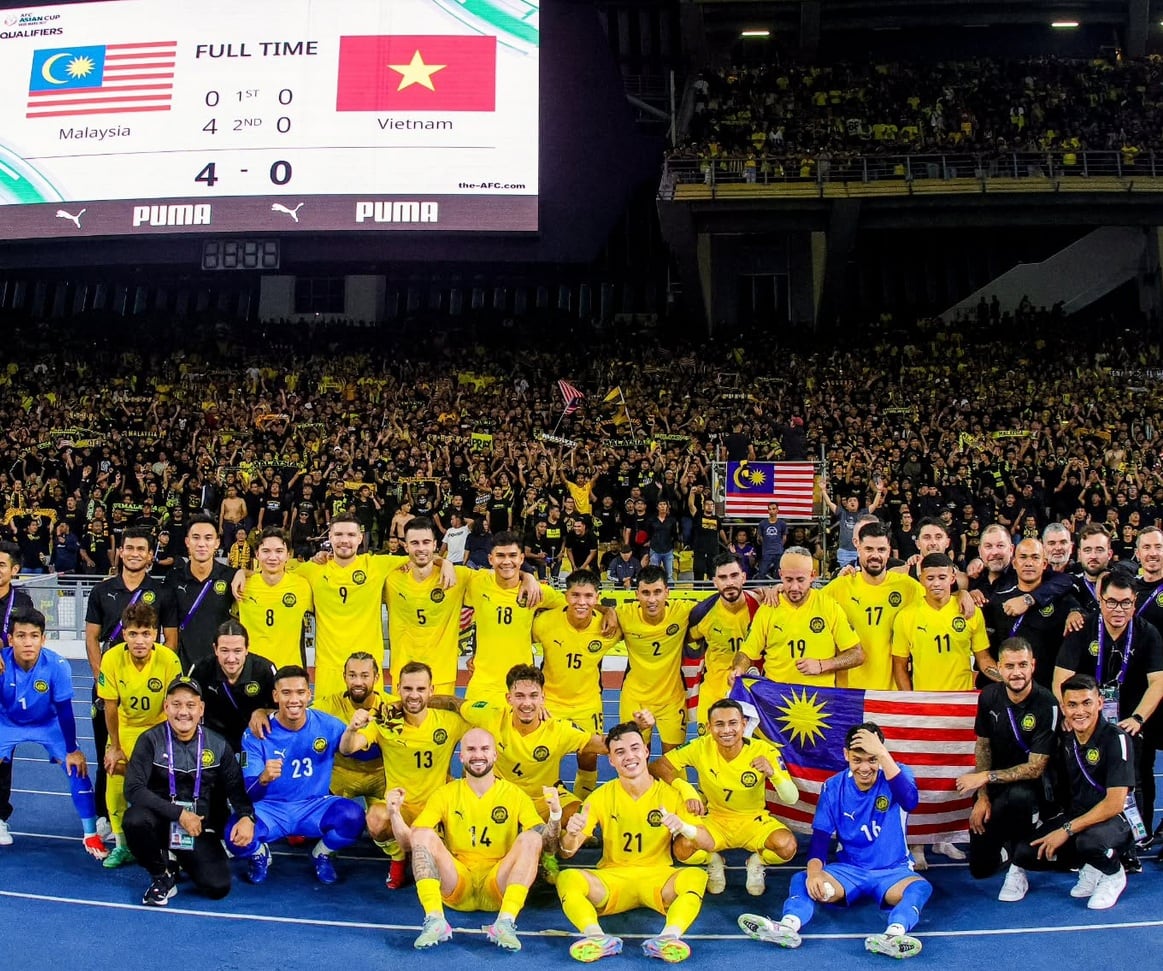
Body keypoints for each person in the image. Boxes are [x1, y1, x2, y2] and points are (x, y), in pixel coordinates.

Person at [737, 723, 931, 960]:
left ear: (881, 755)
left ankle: (894, 934)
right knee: (802, 878)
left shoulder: (898, 774)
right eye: (857, 760)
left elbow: (910, 801)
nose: (865, 768)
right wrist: (814, 873)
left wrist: (882, 753)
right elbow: (819, 840)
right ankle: (788, 926)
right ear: (846, 754)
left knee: (920, 887)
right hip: (849, 871)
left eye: (872, 759)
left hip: (893, 872)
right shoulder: (833, 786)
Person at [557, 721, 713, 964]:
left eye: (635, 748)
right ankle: (596, 937)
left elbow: (708, 843)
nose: (629, 756)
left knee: (696, 876)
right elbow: (567, 852)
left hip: (658, 878)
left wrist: (685, 828)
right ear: (611, 760)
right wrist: (571, 834)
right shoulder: (600, 796)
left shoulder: (670, 795)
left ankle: (669, 938)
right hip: (613, 880)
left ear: (646, 751)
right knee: (567, 878)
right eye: (620, 752)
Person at [386, 727, 552, 951]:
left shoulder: (514, 794)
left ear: (495, 755)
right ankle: (435, 920)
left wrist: (556, 817)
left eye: (484, 749)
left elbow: (547, 844)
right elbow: (409, 843)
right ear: (461, 756)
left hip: (497, 883)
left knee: (532, 838)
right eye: (471, 749)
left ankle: (505, 922)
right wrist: (394, 813)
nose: (478, 755)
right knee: (422, 833)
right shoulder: (445, 793)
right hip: (458, 882)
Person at [1053, 568, 1163, 850]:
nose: (1118, 609)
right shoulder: (1082, 629)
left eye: (1125, 603)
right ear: (1100, 600)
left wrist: (1138, 718)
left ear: (1134, 603)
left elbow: (1158, 682)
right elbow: (1061, 679)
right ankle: (1076, 829)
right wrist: (1072, 714)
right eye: (1112, 601)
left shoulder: (1147, 633)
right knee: (1079, 771)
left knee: (1138, 771)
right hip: (1086, 718)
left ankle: (1137, 838)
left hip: (1130, 717)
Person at [123, 675, 256, 906]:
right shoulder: (150, 740)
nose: (183, 712)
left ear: (201, 709)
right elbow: (133, 789)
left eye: (190, 705)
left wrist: (246, 816)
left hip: (197, 828)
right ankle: (161, 874)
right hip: (161, 822)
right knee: (134, 820)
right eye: (176, 704)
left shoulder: (218, 745)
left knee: (218, 887)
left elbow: (236, 789)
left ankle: (178, 857)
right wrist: (179, 814)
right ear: (166, 707)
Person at [1008, 675, 1135, 910]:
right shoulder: (1066, 740)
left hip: (1115, 820)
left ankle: (1113, 874)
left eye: (1087, 703)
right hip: (1077, 816)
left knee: (1089, 843)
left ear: (1099, 702)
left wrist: (1066, 830)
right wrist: (1057, 824)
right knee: (1025, 852)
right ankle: (1090, 866)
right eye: (1072, 705)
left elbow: (1115, 803)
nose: (1080, 711)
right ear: (1064, 708)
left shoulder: (1116, 738)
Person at [232, 664, 367, 884]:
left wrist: (361, 729)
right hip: (270, 809)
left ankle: (321, 853)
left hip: (314, 805)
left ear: (309, 695)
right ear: (275, 696)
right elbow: (249, 792)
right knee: (233, 835)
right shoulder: (256, 733)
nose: (294, 699)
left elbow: (356, 749)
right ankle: (260, 855)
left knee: (354, 817)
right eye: (286, 693)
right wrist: (263, 778)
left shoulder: (328, 725)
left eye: (300, 692)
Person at [651, 699, 798, 896]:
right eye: (719, 724)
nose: (727, 730)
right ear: (709, 727)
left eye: (733, 723)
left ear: (744, 724)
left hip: (754, 821)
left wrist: (774, 774)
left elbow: (791, 798)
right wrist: (685, 787)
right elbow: (658, 767)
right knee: (682, 849)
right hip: (715, 820)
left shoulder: (764, 750)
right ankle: (713, 860)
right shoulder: (700, 746)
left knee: (787, 847)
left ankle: (757, 861)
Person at [84, 526, 174, 836]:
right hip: (110, 681)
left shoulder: (162, 592)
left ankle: (150, 814)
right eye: (129, 548)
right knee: (108, 750)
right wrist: (102, 679)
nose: (134, 554)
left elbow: (170, 640)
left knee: (157, 756)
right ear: (120, 552)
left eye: (141, 549)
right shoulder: (101, 590)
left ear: (150, 556)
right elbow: (92, 638)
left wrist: (156, 676)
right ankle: (104, 815)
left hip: (149, 684)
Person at [953, 637, 1058, 898]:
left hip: (1032, 788)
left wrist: (984, 778)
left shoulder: (1047, 703)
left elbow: (1035, 768)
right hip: (996, 785)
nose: (1016, 672)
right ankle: (1006, 846)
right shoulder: (989, 696)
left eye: (1022, 665)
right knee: (981, 868)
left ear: (1033, 665)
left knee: (1019, 798)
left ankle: (1021, 856)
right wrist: (982, 797)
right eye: (1009, 666)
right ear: (999, 667)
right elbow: (983, 746)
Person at [0, 608, 107, 859]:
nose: (28, 642)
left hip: (48, 724)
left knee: (77, 768)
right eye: (21, 636)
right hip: (7, 723)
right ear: (11, 639)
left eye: (34, 636)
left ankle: (90, 834)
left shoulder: (57, 665)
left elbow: (64, 709)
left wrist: (72, 749)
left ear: (43, 639)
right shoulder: (1, 664)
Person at [356, 661, 468, 889]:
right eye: (408, 689)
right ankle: (398, 857)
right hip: (401, 807)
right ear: (398, 688)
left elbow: (488, 726)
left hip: (437, 807)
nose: (414, 694)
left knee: (447, 879)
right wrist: (352, 728)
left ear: (431, 690)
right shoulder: (386, 721)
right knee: (375, 820)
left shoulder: (450, 722)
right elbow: (349, 747)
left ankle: (443, 843)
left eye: (421, 689)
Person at [98, 601, 183, 868]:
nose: (139, 640)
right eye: (133, 633)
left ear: (155, 633)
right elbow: (110, 706)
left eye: (146, 633)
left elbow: (176, 703)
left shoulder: (169, 659)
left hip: (159, 729)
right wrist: (115, 746)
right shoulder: (111, 658)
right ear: (124, 633)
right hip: (126, 728)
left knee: (168, 783)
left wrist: (175, 742)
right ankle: (122, 845)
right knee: (114, 776)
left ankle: (170, 844)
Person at [532, 569, 621, 801]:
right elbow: (516, 640)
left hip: (587, 703)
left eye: (588, 596)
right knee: (545, 756)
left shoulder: (608, 626)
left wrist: (609, 611)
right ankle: (547, 805)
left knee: (589, 756)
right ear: (566, 596)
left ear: (597, 597)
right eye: (575, 595)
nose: (582, 602)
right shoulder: (544, 623)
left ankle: (582, 805)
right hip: (551, 702)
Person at [732, 547, 863, 688]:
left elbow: (856, 654)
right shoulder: (768, 608)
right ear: (780, 575)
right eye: (788, 579)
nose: (794, 587)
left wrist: (823, 665)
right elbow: (746, 653)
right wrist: (738, 669)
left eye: (801, 580)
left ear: (812, 576)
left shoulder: (828, 606)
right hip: (776, 697)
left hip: (819, 698)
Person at [462, 531, 562, 706]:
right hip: (483, 684)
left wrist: (607, 611)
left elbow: (573, 604)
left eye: (512, 555)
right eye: (500, 555)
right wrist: (527, 575)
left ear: (522, 558)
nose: (507, 561)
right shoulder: (476, 582)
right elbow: (433, 564)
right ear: (490, 559)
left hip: (521, 686)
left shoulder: (536, 591)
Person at [825, 522, 923, 689]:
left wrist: (963, 595)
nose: (875, 555)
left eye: (881, 550)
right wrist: (779, 590)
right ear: (858, 548)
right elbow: (808, 602)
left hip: (891, 692)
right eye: (869, 549)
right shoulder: (840, 586)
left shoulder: (908, 587)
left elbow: (941, 603)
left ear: (889, 551)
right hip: (850, 691)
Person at [615, 565, 694, 752]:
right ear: (636, 594)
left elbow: (718, 605)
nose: (651, 599)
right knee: (635, 757)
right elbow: (593, 610)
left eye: (657, 592)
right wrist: (608, 611)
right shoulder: (624, 615)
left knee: (673, 762)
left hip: (671, 700)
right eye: (645, 593)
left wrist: (761, 592)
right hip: (635, 699)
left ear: (667, 592)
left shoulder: (682, 611)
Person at [687, 553, 761, 731]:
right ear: (714, 582)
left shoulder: (761, 605)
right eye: (723, 577)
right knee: (709, 745)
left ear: (744, 577)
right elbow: (689, 642)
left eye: (734, 575)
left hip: (752, 691)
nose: (729, 583)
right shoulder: (702, 614)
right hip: (714, 692)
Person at [161, 515, 239, 670]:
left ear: (217, 543)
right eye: (196, 538)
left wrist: (242, 573)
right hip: (184, 668)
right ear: (187, 542)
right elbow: (170, 629)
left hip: (221, 668)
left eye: (208, 538)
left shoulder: (231, 576)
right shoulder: (173, 578)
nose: (202, 544)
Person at [311, 651, 388, 803]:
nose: (358, 682)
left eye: (365, 676)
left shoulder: (391, 707)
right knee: (332, 815)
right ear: (344, 677)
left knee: (382, 817)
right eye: (352, 675)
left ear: (376, 678)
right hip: (341, 776)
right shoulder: (328, 706)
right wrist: (262, 711)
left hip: (381, 777)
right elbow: (296, 713)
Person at [188, 620, 277, 750]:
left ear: (247, 649)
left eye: (237, 651)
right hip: (213, 742)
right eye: (224, 651)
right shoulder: (201, 669)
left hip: (255, 740)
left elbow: (283, 710)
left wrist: (262, 711)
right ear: (215, 649)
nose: (231, 658)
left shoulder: (265, 670)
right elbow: (186, 707)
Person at [238, 527, 313, 670]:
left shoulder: (303, 585)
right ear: (257, 554)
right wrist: (240, 572)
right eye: (266, 551)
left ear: (289, 555)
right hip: (253, 672)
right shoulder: (242, 586)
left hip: (290, 673)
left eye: (279, 551)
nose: (272, 557)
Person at [756, 503, 789, 579]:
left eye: (774, 509)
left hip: (778, 552)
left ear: (777, 510)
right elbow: (759, 537)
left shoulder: (782, 523)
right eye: (770, 509)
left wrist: (779, 546)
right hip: (766, 553)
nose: (771, 511)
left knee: (779, 574)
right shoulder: (762, 523)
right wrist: (766, 544)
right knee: (762, 573)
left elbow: (784, 538)